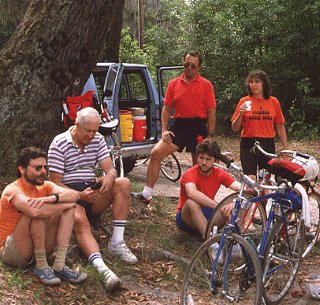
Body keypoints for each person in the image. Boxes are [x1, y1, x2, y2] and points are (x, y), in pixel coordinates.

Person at [47, 107, 138, 292]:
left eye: (95, 131)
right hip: (70, 194)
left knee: (123, 183)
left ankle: (117, 242)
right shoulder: (59, 143)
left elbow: (110, 169)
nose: (92, 135)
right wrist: (79, 195)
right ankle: (103, 269)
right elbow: (54, 184)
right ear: (77, 125)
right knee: (80, 219)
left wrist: (108, 178)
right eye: (88, 131)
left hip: (92, 190)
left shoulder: (97, 139)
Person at [133, 51, 216, 204]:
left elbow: (211, 111)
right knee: (156, 153)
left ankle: (200, 200)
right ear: (182, 64)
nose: (189, 68)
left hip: (198, 126)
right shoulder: (174, 83)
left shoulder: (206, 85)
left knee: (199, 165)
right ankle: (146, 194)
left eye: (193, 66)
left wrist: (210, 135)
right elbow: (166, 108)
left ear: (198, 68)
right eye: (186, 64)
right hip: (179, 126)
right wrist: (164, 130)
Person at [0, 147, 87, 286]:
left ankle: (59, 264)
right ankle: (41, 265)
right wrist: (66, 204)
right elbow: (34, 212)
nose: (43, 172)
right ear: (22, 169)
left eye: (45, 167)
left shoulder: (45, 186)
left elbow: (75, 195)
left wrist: (53, 198)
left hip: (33, 247)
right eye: (37, 168)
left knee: (65, 207)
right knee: (38, 210)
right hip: (12, 252)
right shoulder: (13, 190)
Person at [176, 140, 241, 238]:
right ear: (197, 158)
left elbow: (242, 189)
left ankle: (238, 238)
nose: (204, 162)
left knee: (241, 200)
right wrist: (217, 206)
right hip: (186, 217)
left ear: (215, 161)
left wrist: (233, 203)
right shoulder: (190, 173)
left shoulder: (219, 173)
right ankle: (210, 243)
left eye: (208, 159)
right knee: (191, 203)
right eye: (201, 158)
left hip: (208, 213)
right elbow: (191, 193)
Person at [231, 70, 288, 180]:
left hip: (267, 143)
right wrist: (240, 114)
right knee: (251, 180)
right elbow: (234, 128)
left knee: (264, 181)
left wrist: (285, 149)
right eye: (251, 82)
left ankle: (264, 197)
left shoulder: (273, 101)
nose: (253, 85)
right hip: (248, 143)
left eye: (257, 82)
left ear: (264, 83)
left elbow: (280, 126)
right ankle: (250, 196)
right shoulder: (245, 101)